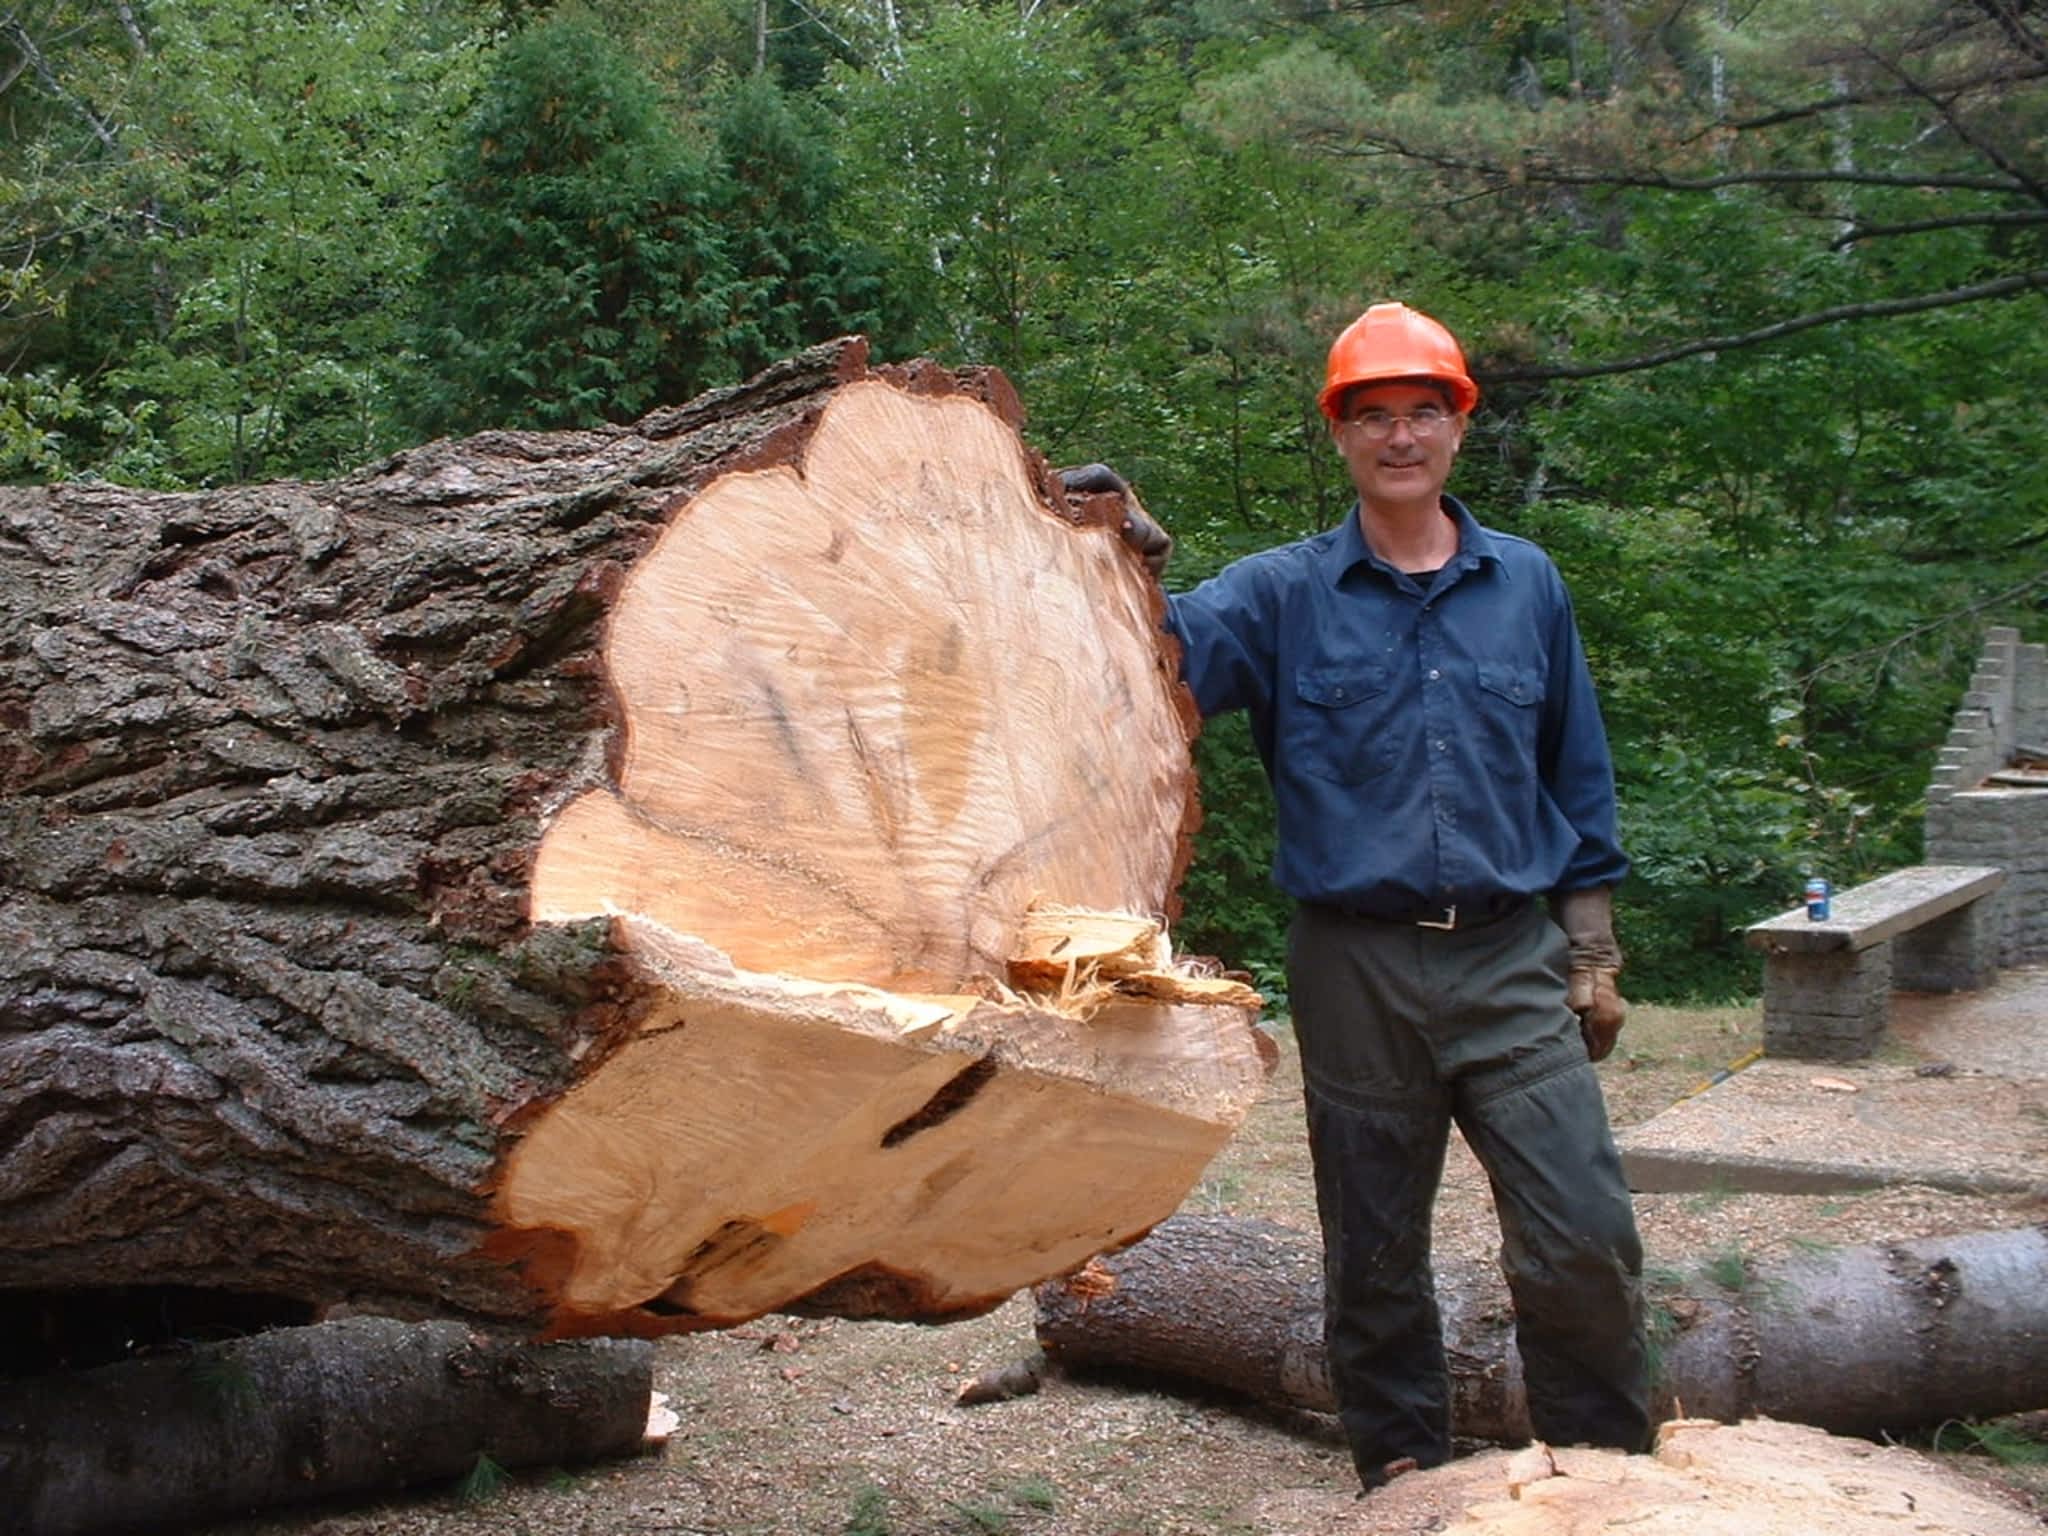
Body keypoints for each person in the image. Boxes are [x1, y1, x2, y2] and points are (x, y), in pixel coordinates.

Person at [1062, 301, 1650, 1490]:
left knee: (1581, 1238)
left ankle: (1605, 1481)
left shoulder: (1525, 585)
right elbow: (1152, 665)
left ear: (1456, 428)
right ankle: (1407, 1484)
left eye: (1420, 411)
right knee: (1376, 1254)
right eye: (1371, 415)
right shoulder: (1283, 594)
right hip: (1354, 965)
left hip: (1509, 959)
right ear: (1338, 435)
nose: (1398, 436)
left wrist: (1589, 944)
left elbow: (1573, 767)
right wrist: (1118, 556)